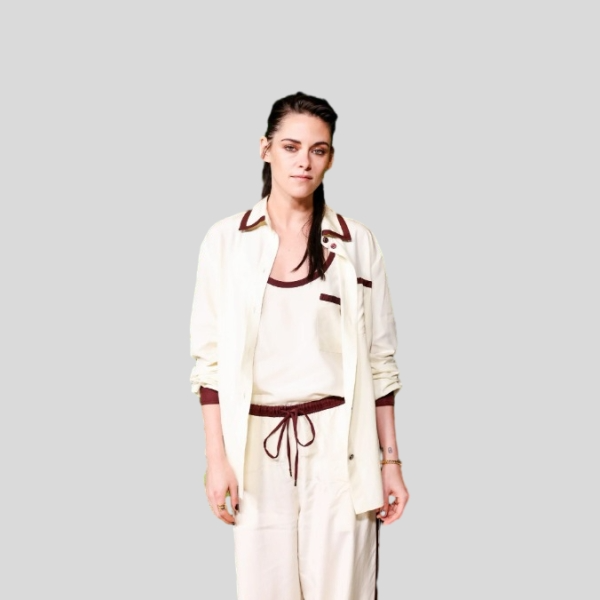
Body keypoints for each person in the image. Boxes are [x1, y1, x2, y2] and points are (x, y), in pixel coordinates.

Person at [189, 91, 409, 600]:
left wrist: (391, 463)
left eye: (318, 150)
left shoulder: (357, 242)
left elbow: (380, 362)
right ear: (265, 149)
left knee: (344, 590)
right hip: (254, 449)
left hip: (340, 446)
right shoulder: (226, 241)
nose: (304, 162)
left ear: (330, 158)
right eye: (291, 147)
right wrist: (217, 460)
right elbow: (209, 363)